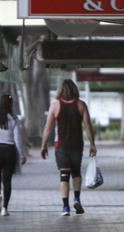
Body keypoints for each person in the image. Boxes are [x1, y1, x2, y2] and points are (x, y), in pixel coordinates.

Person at [41, 79, 97, 216]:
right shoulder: (81, 105)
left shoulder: (55, 105)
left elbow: (48, 128)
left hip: (61, 146)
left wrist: (43, 146)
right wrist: (92, 144)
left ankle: (65, 207)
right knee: (76, 173)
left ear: (60, 90)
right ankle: (77, 199)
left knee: (64, 176)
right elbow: (88, 126)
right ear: (74, 89)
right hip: (77, 145)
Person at [0, 94, 26, 216]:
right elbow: (17, 138)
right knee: (7, 181)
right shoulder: (14, 118)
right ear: (10, 104)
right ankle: (5, 208)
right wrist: (22, 154)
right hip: (9, 150)